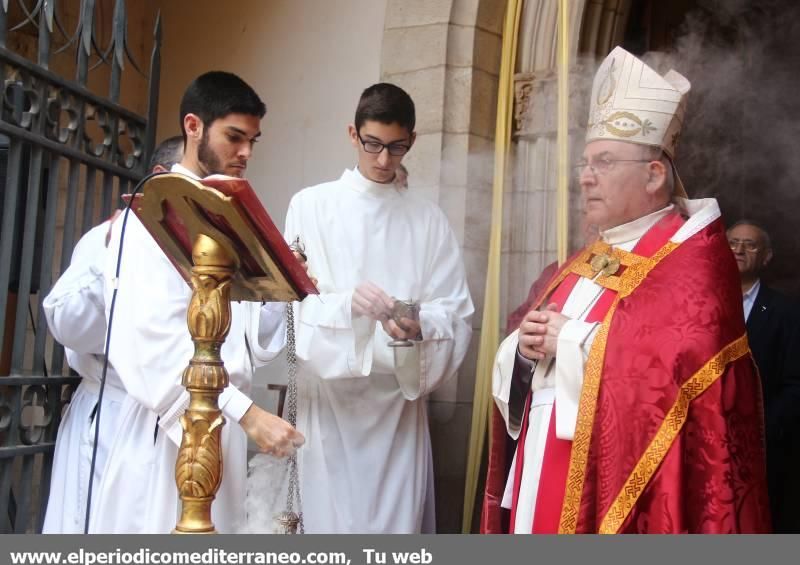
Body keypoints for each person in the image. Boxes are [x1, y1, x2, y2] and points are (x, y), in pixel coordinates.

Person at [482, 46, 770, 534]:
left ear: (655, 174)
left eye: (605, 162)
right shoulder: (589, 256)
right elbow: (535, 359)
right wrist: (524, 350)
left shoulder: (692, 259)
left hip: (616, 484)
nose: (585, 178)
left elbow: (679, 372)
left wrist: (569, 341)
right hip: (543, 461)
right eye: (585, 163)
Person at [91, 71, 304, 533]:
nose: (246, 152)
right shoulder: (149, 215)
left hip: (222, 424)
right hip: (164, 432)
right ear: (193, 126)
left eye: (253, 140)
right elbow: (146, 341)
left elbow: (246, 342)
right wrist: (246, 413)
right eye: (234, 137)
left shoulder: (226, 214)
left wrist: (281, 290)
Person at [282, 83, 474, 533]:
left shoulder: (427, 220)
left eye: (396, 147)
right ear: (353, 134)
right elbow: (289, 307)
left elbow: (456, 315)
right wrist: (348, 308)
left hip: (397, 415)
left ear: (411, 141)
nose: (384, 160)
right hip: (328, 409)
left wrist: (419, 328)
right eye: (373, 144)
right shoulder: (310, 205)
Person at [41, 136, 183, 533]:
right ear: (159, 180)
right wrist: (115, 255)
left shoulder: (202, 249)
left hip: (176, 421)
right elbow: (68, 322)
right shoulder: (106, 239)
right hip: (115, 413)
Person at [727, 219, 800, 533]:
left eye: (750, 244)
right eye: (733, 243)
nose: (740, 250)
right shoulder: (703, 302)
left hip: (765, 448)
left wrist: (761, 430)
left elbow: (795, 383)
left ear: (767, 256)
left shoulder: (786, 311)